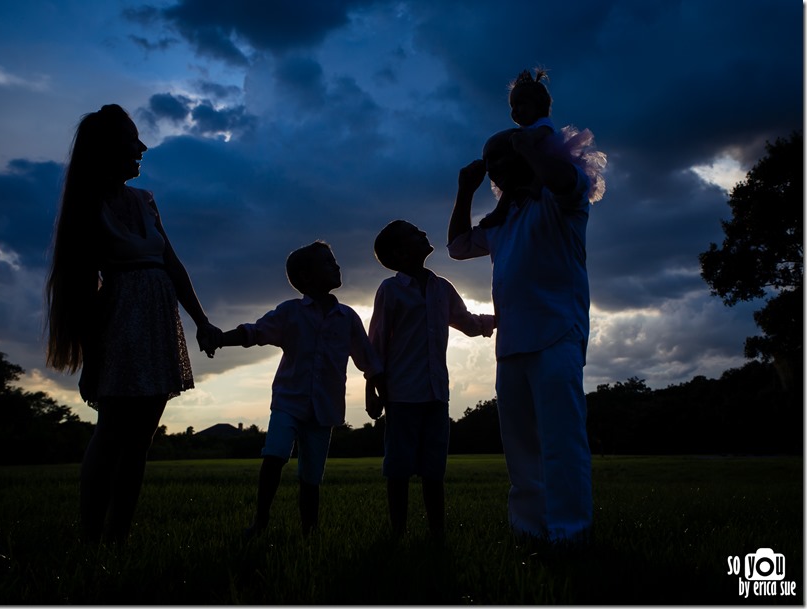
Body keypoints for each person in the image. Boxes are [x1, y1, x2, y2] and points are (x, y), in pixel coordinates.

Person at [44, 104, 223, 544]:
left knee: (140, 440)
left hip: (159, 325)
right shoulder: (88, 207)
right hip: (121, 324)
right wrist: (93, 357)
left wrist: (200, 320)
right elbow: (83, 288)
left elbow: (172, 263)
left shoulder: (145, 201)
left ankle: (117, 537)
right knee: (112, 433)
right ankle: (90, 538)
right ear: (107, 149)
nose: (141, 147)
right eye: (131, 140)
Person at [447, 80, 606, 544]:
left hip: (557, 330)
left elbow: (559, 179)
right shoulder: (504, 220)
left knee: (560, 438)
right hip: (513, 339)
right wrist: (464, 190)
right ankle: (530, 528)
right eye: (492, 163)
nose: (495, 169)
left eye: (501, 159)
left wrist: (530, 148)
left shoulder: (564, 199)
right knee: (519, 444)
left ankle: (570, 532)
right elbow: (457, 247)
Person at [211, 241, 384, 538]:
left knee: (311, 476)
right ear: (306, 277)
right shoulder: (290, 313)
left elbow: (368, 361)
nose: (337, 267)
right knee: (275, 455)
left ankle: (309, 532)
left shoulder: (348, 318)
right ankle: (260, 522)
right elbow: (254, 332)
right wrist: (219, 339)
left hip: (324, 409)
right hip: (288, 402)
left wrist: (374, 392)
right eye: (328, 263)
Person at [367, 220, 494, 539]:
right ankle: (398, 533)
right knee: (398, 469)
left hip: (437, 394)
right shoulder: (391, 290)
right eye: (413, 233)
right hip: (401, 394)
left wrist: (501, 319)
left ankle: (437, 532)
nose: (423, 233)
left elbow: (466, 322)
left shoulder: (441, 288)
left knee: (434, 468)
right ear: (399, 252)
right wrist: (373, 388)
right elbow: (377, 342)